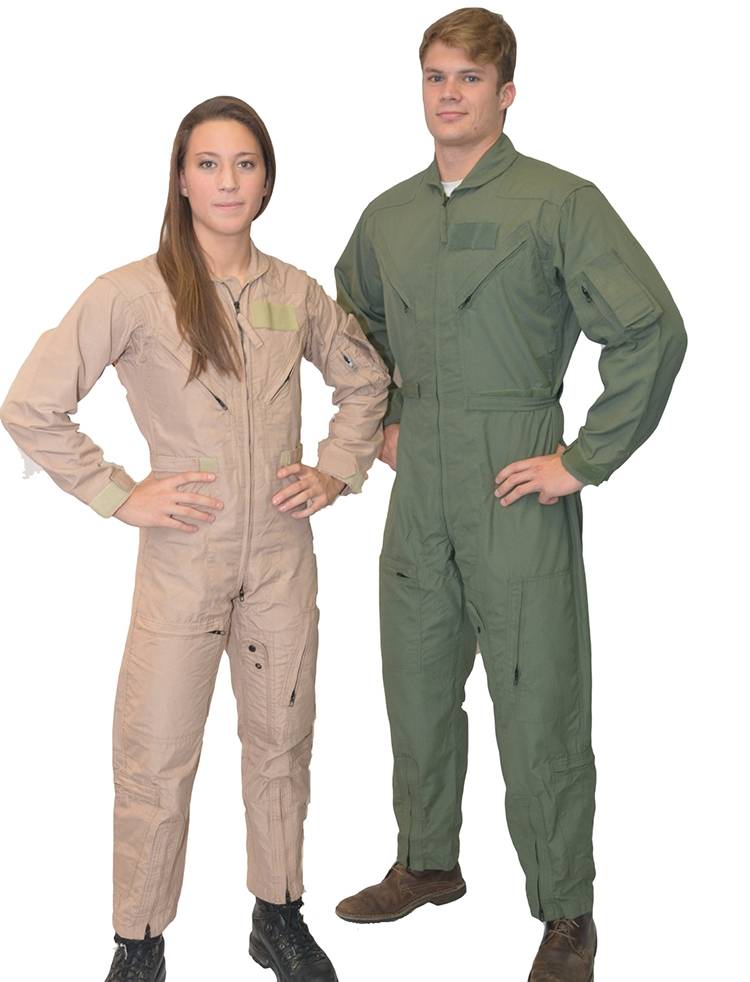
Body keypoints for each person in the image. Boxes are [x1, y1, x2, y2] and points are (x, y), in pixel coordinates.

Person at [0, 95, 389, 982]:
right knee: (155, 757)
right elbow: (30, 405)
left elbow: (365, 382)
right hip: (184, 561)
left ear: (267, 180)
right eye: (208, 163)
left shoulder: (294, 292)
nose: (228, 181)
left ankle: (277, 916)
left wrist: (335, 470)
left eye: (245, 163)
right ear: (180, 179)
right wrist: (118, 493)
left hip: (280, 557)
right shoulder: (132, 294)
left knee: (282, 744)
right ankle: (139, 942)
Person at [333, 8, 686, 981]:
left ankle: (567, 912)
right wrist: (385, 415)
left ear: (507, 93)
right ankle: (427, 862)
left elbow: (652, 329)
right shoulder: (389, 216)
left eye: (469, 78)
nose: (449, 93)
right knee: (415, 680)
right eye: (435, 76)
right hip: (421, 484)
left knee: (539, 698)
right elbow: (350, 319)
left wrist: (583, 458)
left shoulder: (559, 202)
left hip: (514, 479)